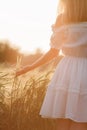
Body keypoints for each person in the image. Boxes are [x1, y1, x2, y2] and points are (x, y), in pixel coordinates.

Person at [16, 0, 87, 129]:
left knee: (63, 119)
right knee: (82, 118)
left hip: (67, 70)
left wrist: (30, 67)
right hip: (85, 72)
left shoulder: (63, 18)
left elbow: (54, 51)